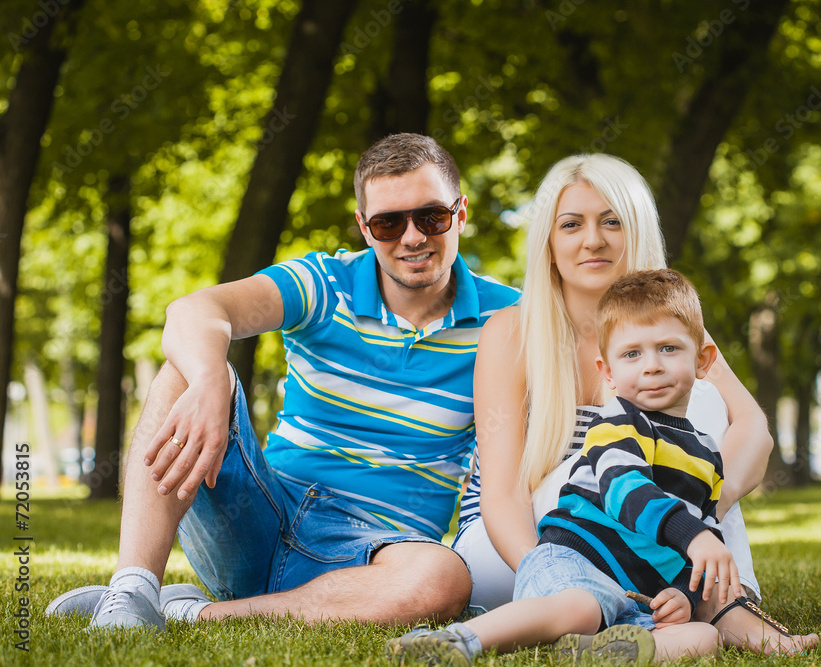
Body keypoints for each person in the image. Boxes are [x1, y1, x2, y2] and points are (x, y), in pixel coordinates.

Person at [45, 133, 520, 631]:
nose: (413, 237)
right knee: (187, 369)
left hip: (380, 555)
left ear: (460, 213)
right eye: (387, 223)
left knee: (445, 579)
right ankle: (131, 589)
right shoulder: (322, 282)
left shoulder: (511, 318)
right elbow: (195, 310)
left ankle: (187, 613)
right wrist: (211, 381)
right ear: (364, 227)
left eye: (431, 217)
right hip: (260, 518)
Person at [451, 153, 818, 653]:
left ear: (637, 231)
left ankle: (706, 600)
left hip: (635, 541)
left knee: (696, 405)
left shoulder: (669, 328)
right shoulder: (512, 331)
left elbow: (753, 425)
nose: (593, 240)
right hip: (523, 549)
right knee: (633, 452)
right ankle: (704, 604)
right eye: (571, 224)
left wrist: (690, 528)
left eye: (611, 222)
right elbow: (500, 497)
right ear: (549, 243)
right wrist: (558, 577)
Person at [386, 269, 790, 665]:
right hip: (571, 564)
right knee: (580, 608)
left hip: (630, 594)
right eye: (633, 354)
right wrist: (692, 535)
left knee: (701, 638)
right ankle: (461, 641)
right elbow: (624, 489)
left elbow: (704, 526)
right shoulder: (618, 423)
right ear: (609, 373)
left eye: (668, 348)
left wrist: (684, 593)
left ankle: (589, 653)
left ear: (702, 360)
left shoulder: (704, 451)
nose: (651, 366)